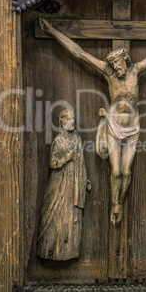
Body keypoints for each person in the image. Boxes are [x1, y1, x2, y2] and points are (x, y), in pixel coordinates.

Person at [39, 18, 146, 225]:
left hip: (132, 128)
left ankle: (120, 203)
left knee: (127, 171)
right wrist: (52, 30)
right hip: (114, 126)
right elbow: (79, 53)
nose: (116, 68)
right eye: (113, 66)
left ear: (126, 60)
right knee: (116, 171)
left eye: (118, 64)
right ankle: (115, 204)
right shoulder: (108, 74)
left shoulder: (136, 71)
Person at [37, 110, 90, 261]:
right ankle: (52, 250)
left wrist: (85, 179)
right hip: (60, 184)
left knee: (72, 217)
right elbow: (52, 163)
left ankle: (69, 251)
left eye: (73, 119)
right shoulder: (59, 140)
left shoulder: (77, 138)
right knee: (57, 215)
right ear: (62, 122)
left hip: (75, 184)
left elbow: (81, 161)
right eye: (70, 119)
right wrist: (66, 158)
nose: (73, 122)